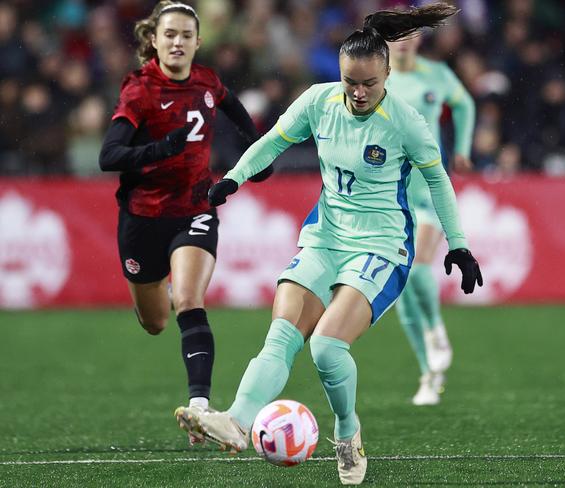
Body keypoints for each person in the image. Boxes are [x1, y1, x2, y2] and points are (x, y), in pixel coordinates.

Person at [176, 3, 482, 485]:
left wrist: (458, 245)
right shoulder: (319, 101)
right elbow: (273, 141)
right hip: (325, 235)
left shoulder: (404, 121)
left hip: (381, 247)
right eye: (350, 82)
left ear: (386, 75)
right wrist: (231, 179)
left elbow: (439, 181)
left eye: (369, 84)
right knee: (280, 335)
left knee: (325, 348)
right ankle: (235, 422)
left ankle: (347, 432)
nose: (358, 93)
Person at [98, 1, 272, 446]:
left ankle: (199, 411)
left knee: (190, 299)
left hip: (194, 208)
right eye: (169, 34)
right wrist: (160, 149)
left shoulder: (208, 82)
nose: (177, 42)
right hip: (142, 218)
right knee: (155, 321)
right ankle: (153, 294)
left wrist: (258, 154)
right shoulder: (139, 90)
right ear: (154, 40)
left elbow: (239, 116)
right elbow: (109, 156)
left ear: (198, 42)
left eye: (185, 35)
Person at [386, 25, 476, 406]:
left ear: (419, 40)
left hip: (428, 190)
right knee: (402, 290)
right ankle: (428, 374)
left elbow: (465, 104)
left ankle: (437, 328)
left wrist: (463, 147)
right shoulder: (377, 80)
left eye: (409, 35)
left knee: (419, 263)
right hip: (390, 194)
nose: (404, 42)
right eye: (396, 36)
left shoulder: (436, 75)